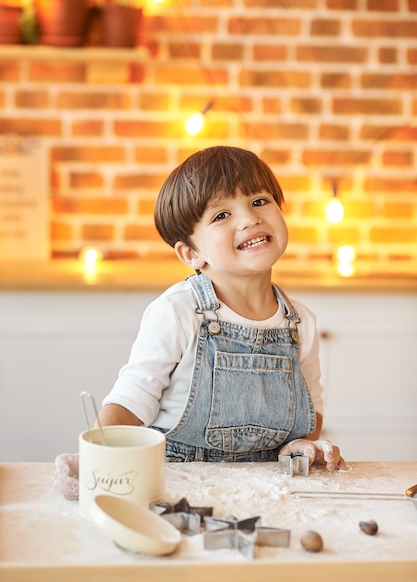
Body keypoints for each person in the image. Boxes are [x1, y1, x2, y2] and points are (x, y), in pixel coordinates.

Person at [55, 146, 344, 500]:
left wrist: (303, 445)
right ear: (192, 254)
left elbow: (310, 413)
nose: (249, 219)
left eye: (259, 201)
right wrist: (96, 458)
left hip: (270, 492)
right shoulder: (178, 311)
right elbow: (133, 399)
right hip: (178, 490)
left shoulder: (300, 323)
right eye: (221, 215)